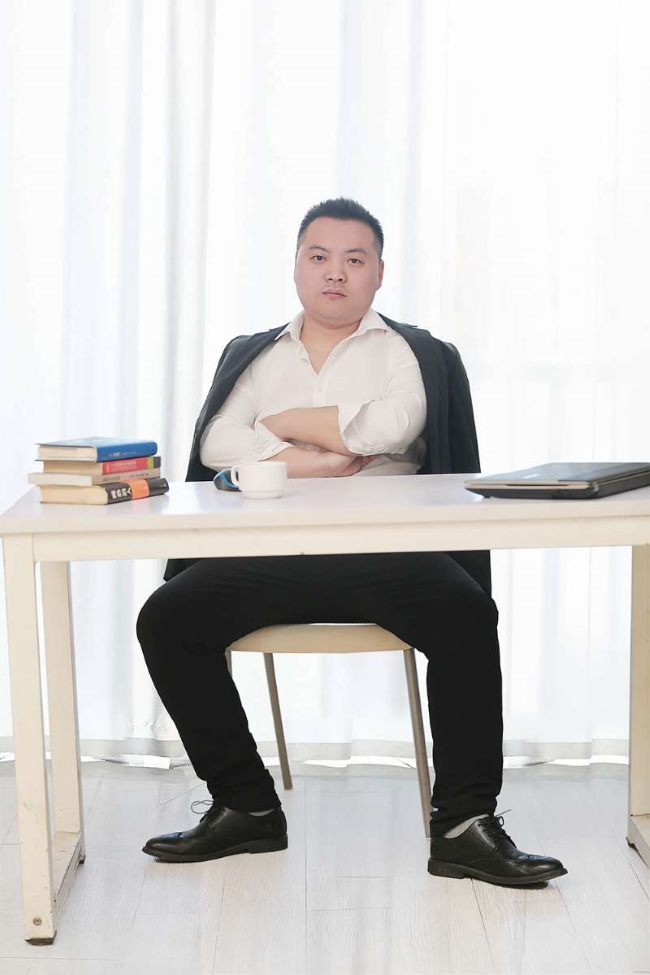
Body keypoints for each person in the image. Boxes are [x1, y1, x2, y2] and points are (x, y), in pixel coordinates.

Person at [137, 198, 566, 886]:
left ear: (378, 273)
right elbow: (217, 442)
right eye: (319, 256)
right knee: (167, 619)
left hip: (386, 551)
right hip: (268, 552)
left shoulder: (411, 352)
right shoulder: (254, 354)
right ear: (297, 267)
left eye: (354, 259)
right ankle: (246, 805)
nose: (335, 272)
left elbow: (393, 427)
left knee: (466, 614)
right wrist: (321, 460)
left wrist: (278, 426)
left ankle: (463, 824)